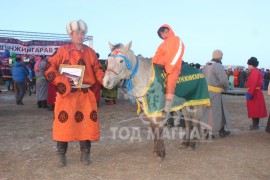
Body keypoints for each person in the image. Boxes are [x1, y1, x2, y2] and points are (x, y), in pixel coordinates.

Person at [44, 19, 104, 166]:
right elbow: (48, 68)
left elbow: (98, 70)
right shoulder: (62, 50)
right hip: (67, 96)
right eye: (77, 33)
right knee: (64, 124)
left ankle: (85, 154)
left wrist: (107, 80)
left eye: (83, 33)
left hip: (85, 95)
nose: (80, 36)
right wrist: (61, 82)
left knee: (87, 124)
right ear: (71, 34)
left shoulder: (90, 52)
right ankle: (61, 155)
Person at [151, 24, 185, 115]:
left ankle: (168, 106)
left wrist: (170, 66)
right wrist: (152, 63)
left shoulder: (176, 39)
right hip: (161, 67)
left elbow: (178, 52)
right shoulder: (162, 44)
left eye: (164, 32)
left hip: (173, 68)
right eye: (161, 34)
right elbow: (157, 55)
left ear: (168, 30)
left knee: (170, 83)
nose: (163, 35)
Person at [201, 50, 231, 137]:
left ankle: (220, 130)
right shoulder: (218, 66)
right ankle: (210, 132)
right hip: (215, 93)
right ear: (220, 57)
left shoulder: (206, 65)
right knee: (215, 112)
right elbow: (224, 80)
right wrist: (226, 87)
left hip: (206, 92)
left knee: (207, 111)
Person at [245, 57, 267, 130]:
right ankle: (255, 124)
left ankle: (255, 125)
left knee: (254, 109)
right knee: (255, 109)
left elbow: (253, 83)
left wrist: (250, 93)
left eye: (249, 65)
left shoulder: (254, 72)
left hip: (254, 93)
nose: (248, 66)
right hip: (256, 92)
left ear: (252, 65)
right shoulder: (256, 71)